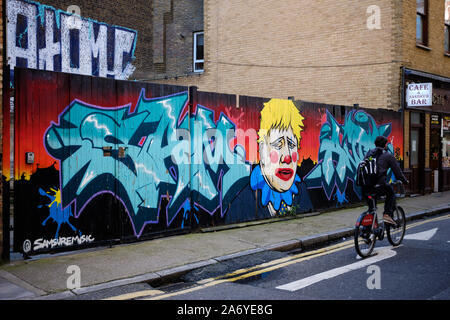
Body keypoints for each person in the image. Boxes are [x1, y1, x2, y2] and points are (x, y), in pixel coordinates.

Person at [362, 136, 409, 225]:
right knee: (391, 193)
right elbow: (398, 172)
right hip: (379, 186)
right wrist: (405, 181)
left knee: (372, 209)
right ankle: (387, 214)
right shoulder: (388, 156)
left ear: (375, 144)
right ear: (385, 145)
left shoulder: (368, 154)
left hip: (366, 187)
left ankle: (368, 230)